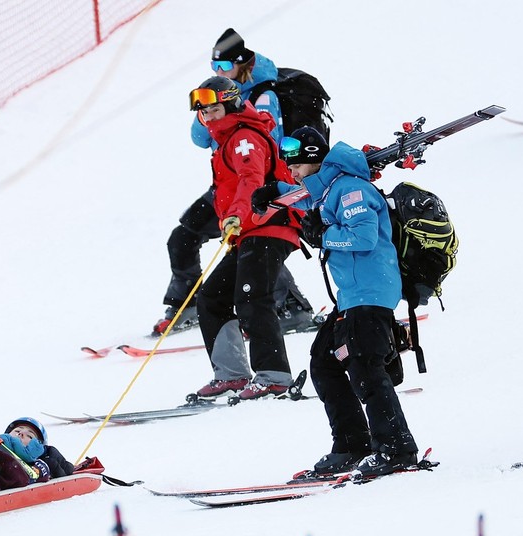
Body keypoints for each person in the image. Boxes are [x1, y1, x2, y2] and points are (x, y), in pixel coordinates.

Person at [252, 127, 419, 476]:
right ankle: (351, 445)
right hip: (352, 296)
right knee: (324, 362)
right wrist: (273, 192)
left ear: (314, 158)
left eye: (296, 165)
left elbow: (364, 237)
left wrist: (323, 234)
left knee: (365, 367)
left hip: (371, 292)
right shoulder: (327, 189)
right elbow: (302, 196)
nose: (292, 172)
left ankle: (397, 449)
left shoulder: (351, 189)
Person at [155, 27, 316, 337]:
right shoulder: (218, 95)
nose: (219, 71)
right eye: (214, 65)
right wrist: (207, 110)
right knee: (184, 236)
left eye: (225, 65)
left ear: (244, 63)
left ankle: (293, 308)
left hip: (257, 188)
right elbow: (199, 139)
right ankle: (186, 304)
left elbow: (267, 149)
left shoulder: (264, 96)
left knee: (259, 244)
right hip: (225, 187)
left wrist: (248, 199)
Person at [187, 76, 302, 401]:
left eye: (214, 110)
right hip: (248, 231)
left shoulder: (244, 138)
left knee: (252, 297)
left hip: (267, 226)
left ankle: (274, 376)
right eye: (204, 113)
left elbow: (251, 178)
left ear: (231, 104)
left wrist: (237, 213)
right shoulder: (227, 140)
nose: (209, 118)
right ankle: (232, 375)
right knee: (212, 297)